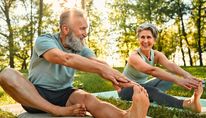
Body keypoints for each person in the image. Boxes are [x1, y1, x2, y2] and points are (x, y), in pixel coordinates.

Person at [0, 9, 150, 118]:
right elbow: (65, 59)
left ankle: (126, 116)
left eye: (86, 28)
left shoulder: (80, 47)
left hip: (65, 94)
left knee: (88, 99)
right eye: (82, 28)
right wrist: (100, 69)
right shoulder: (45, 40)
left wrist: (128, 82)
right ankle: (56, 110)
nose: (86, 33)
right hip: (36, 94)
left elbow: (99, 63)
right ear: (66, 29)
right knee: (6, 73)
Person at [118, 23, 203, 113]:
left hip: (142, 86)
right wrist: (178, 80)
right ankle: (187, 104)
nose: (145, 41)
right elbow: (152, 70)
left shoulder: (156, 54)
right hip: (125, 89)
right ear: (138, 39)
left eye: (149, 37)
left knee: (169, 74)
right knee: (152, 91)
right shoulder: (134, 56)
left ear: (154, 40)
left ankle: (153, 96)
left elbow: (171, 65)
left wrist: (187, 76)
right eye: (142, 37)